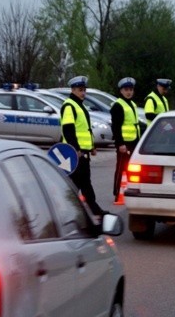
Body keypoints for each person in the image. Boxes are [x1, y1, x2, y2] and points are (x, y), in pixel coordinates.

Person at [60, 75, 106, 217]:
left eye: (84, 89)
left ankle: (92, 209)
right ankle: (68, 211)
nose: (83, 92)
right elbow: (68, 130)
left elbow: (85, 129)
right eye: (80, 90)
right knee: (77, 183)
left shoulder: (79, 105)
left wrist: (91, 146)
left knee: (84, 182)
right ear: (73, 90)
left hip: (83, 151)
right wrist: (76, 149)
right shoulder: (69, 106)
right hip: (75, 153)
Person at [111, 77, 142, 202]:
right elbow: (116, 127)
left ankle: (131, 189)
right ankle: (117, 192)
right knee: (121, 168)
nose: (129, 92)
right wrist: (120, 143)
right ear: (121, 91)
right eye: (126, 90)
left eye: (130, 89)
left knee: (132, 168)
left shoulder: (132, 104)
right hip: (125, 142)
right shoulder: (118, 105)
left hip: (134, 141)